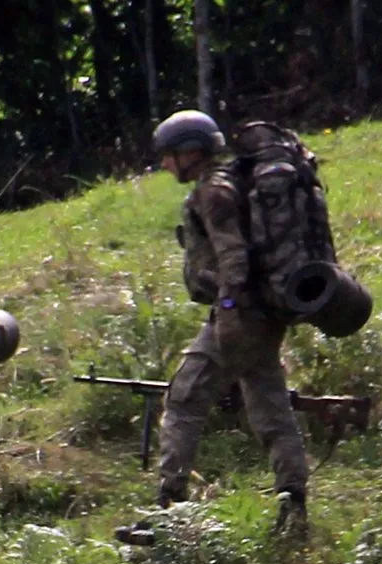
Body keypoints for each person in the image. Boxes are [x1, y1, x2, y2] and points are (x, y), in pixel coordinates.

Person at [132, 110, 309, 539]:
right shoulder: (231, 182)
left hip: (240, 316)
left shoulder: (214, 191)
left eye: (170, 155)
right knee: (271, 411)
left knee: (185, 399)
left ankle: (170, 512)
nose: (165, 164)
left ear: (191, 152)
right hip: (265, 312)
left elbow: (234, 257)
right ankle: (294, 512)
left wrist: (229, 307)